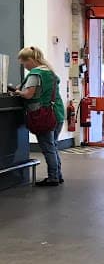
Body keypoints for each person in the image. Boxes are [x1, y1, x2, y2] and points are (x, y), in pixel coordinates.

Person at [11, 46, 65, 187]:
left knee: (48, 148)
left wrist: (18, 92)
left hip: (43, 116)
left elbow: (28, 94)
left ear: (30, 60)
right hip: (57, 113)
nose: (25, 66)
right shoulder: (50, 72)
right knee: (53, 146)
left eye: (24, 63)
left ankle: (53, 178)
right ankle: (58, 175)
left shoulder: (35, 74)